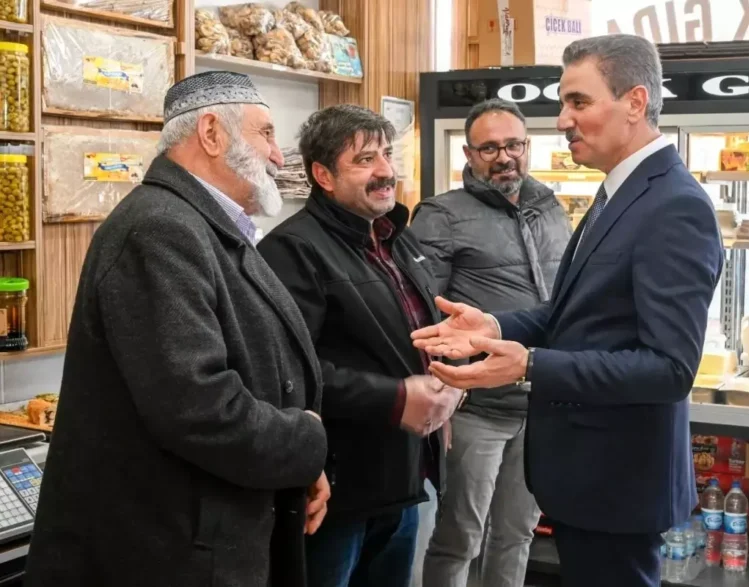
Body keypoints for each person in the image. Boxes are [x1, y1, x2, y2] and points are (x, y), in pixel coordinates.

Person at [411, 34, 725, 587]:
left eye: (578, 102)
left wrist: (530, 364)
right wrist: (493, 325)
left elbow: (670, 369)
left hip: (617, 485)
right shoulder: (618, 192)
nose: (562, 121)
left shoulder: (672, 205)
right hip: (589, 478)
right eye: (563, 103)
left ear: (634, 102)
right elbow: (572, 313)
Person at [24, 71, 330, 587]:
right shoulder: (160, 229)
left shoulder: (199, 224)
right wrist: (304, 442)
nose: (279, 157)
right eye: (266, 133)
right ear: (211, 133)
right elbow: (198, 407)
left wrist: (296, 465)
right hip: (164, 553)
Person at [257, 104, 463, 587]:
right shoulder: (292, 250)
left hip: (404, 476)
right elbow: (287, 371)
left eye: (386, 155)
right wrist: (398, 398)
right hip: (337, 489)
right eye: (365, 160)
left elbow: (418, 333)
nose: (385, 171)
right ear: (323, 175)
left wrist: (447, 384)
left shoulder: (394, 239)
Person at [409, 98, 571, 587]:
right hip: (475, 409)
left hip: (541, 401)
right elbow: (419, 312)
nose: (505, 158)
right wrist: (441, 390)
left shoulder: (550, 206)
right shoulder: (441, 215)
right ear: (468, 153)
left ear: (528, 146)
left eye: (514, 145)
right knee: (460, 537)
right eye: (490, 148)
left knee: (518, 534)